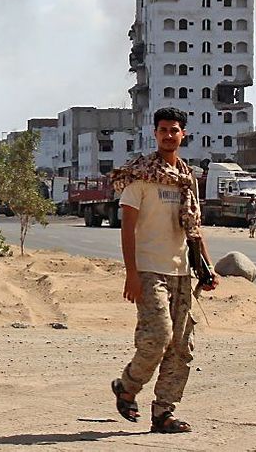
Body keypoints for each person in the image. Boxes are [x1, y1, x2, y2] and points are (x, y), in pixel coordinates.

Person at [108, 106, 216, 434]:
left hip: (182, 270)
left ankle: (163, 412)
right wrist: (131, 273)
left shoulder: (187, 179)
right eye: (163, 130)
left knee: (181, 346)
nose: (169, 136)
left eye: (175, 130)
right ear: (154, 134)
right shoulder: (139, 177)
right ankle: (127, 386)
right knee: (158, 336)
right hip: (149, 269)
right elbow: (127, 229)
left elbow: (193, 226)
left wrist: (207, 266)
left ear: (183, 135)